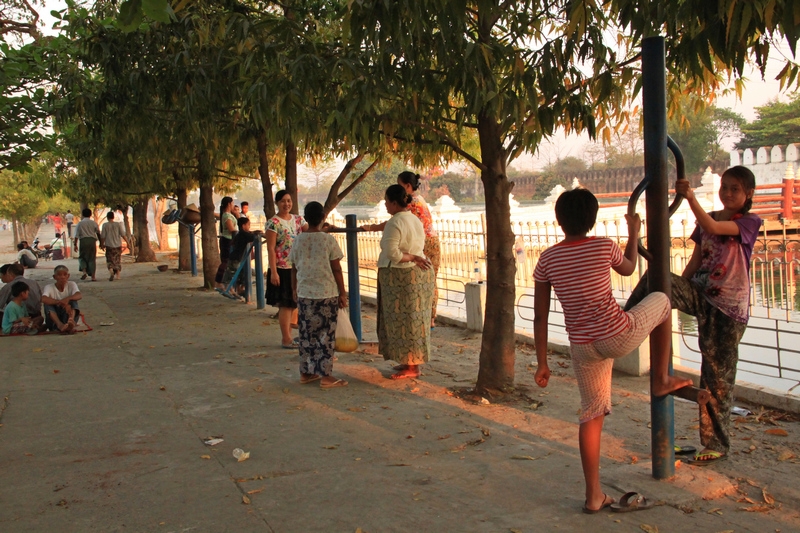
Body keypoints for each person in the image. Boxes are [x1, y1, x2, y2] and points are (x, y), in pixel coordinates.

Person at [533, 188, 694, 513]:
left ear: (559, 220)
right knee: (662, 299)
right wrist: (634, 232)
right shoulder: (603, 245)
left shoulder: (548, 259)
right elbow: (630, 267)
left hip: (582, 346)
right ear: (592, 219)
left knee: (591, 413)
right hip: (616, 334)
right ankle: (661, 376)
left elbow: (540, 315)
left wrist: (542, 363)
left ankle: (594, 495)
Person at [624, 166, 760, 467]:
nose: (727, 193)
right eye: (724, 187)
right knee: (655, 279)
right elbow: (696, 260)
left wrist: (689, 198)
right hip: (701, 293)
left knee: (717, 379)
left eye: (734, 188)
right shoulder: (708, 219)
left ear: (748, 193)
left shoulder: (749, 222)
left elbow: (712, 227)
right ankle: (622, 324)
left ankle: (717, 443)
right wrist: (675, 290)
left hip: (728, 310)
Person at [362, 171, 441, 329]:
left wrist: (371, 227)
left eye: (399, 185)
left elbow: (394, 224)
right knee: (429, 280)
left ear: (407, 186)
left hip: (422, 243)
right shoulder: (419, 200)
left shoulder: (408, 204)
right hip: (429, 240)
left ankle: (430, 317)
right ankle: (429, 317)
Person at [375, 184, 434, 379]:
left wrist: (412, 257)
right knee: (413, 320)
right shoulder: (414, 219)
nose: (385, 205)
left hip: (401, 276)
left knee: (404, 321)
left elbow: (393, 253)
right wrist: (415, 257)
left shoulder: (395, 222)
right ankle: (408, 360)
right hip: (416, 274)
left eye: (386, 202)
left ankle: (412, 366)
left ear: (393, 202)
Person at [289, 202, 349, 388]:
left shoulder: (298, 240)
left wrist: (294, 289)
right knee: (325, 335)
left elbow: (293, 267)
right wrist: (342, 292)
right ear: (323, 217)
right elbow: (336, 268)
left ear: (305, 218)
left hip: (305, 293)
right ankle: (325, 376)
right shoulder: (328, 240)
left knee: (307, 334)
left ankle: (306, 372)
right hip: (326, 293)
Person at [266, 190, 307, 348]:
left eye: (289, 201)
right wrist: (274, 271)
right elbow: (271, 248)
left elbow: (310, 231)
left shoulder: (298, 220)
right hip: (282, 268)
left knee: (294, 303)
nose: (286, 204)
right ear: (277, 203)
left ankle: (292, 336)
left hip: (297, 267)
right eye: (283, 201)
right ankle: (286, 338)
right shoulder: (273, 223)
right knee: (286, 304)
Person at [222, 217, 261, 296]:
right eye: (248, 225)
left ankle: (233, 289)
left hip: (234, 256)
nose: (249, 226)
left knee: (235, 273)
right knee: (232, 273)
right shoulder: (244, 234)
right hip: (236, 258)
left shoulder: (240, 234)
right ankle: (228, 289)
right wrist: (258, 234)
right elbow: (252, 237)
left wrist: (253, 232)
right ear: (243, 226)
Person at [41, 265, 82, 333]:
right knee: (47, 304)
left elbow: (79, 295)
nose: (62, 277)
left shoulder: (72, 284)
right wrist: (61, 303)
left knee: (73, 301)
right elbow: (43, 299)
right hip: (54, 322)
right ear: (54, 277)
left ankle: (70, 321)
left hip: (66, 315)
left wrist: (67, 299)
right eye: (59, 275)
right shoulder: (49, 287)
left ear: (68, 276)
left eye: (65, 275)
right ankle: (60, 325)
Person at [214, 197, 237, 290]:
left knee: (228, 262)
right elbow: (231, 229)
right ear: (229, 204)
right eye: (232, 203)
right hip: (227, 240)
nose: (233, 205)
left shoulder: (228, 214)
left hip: (229, 240)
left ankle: (226, 283)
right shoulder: (226, 215)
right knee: (226, 262)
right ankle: (218, 282)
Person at [73, 208, 102, 281]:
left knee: (82, 257)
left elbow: (76, 235)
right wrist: (101, 242)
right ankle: (93, 276)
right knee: (92, 258)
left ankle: (84, 272)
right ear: (90, 214)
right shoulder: (93, 223)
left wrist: (75, 245)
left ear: (82, 214)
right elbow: (98, 233)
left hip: (83, 241)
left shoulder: (80, 223)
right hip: (92, 241)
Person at [100, 211, 126, 281]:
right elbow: (123, 234)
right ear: (113, 217)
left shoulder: (105, 225)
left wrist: (102, 244)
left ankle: (111, 271)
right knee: (117, 259)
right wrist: (128, 242)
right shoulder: (118, 224)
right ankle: (118, 275)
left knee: (110, 259)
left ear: (107, 217)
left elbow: (103, 236)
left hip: (109, 245)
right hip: (118, 245)